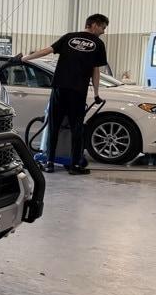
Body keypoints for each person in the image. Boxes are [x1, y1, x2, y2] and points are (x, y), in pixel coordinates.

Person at [21, 14, 109, 175]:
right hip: (78, 91)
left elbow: (48, 50)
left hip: (60, 88)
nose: (103, 31)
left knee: (54, 125)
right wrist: (96, 93)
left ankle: (49, 163)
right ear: (94, 25)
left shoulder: (69, 37)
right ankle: (75, 165)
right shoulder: (98, 44)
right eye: (103, 27)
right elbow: (95, 71)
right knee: (76, 128)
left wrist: (26, 58)